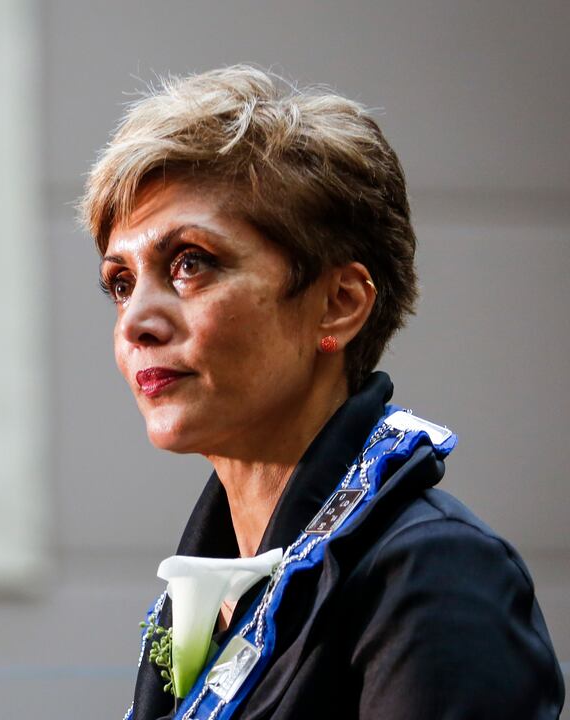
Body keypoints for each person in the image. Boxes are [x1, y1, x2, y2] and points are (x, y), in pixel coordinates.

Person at [79, 65, 564, 719]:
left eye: (191, 263)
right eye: (120, 281)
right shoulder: (203, 593)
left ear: (338, 305)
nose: (137, 320)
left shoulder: (435, 574)